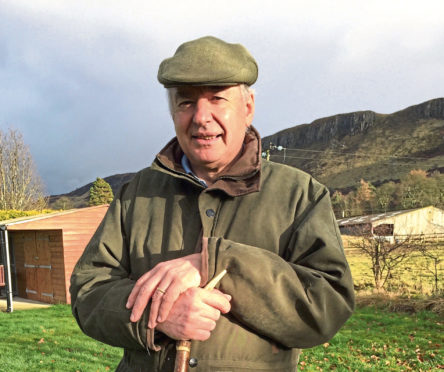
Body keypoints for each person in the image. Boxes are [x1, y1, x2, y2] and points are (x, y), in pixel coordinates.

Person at [70, 36, 355, 372]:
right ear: (172, 111)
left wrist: (215, 263)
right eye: (186, 103)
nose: (201, 117)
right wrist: (157, 316)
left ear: (247, 107)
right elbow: (89, 291)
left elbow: (327, 307)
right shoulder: (136, 194)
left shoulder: (300, 194)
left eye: (218, 99)